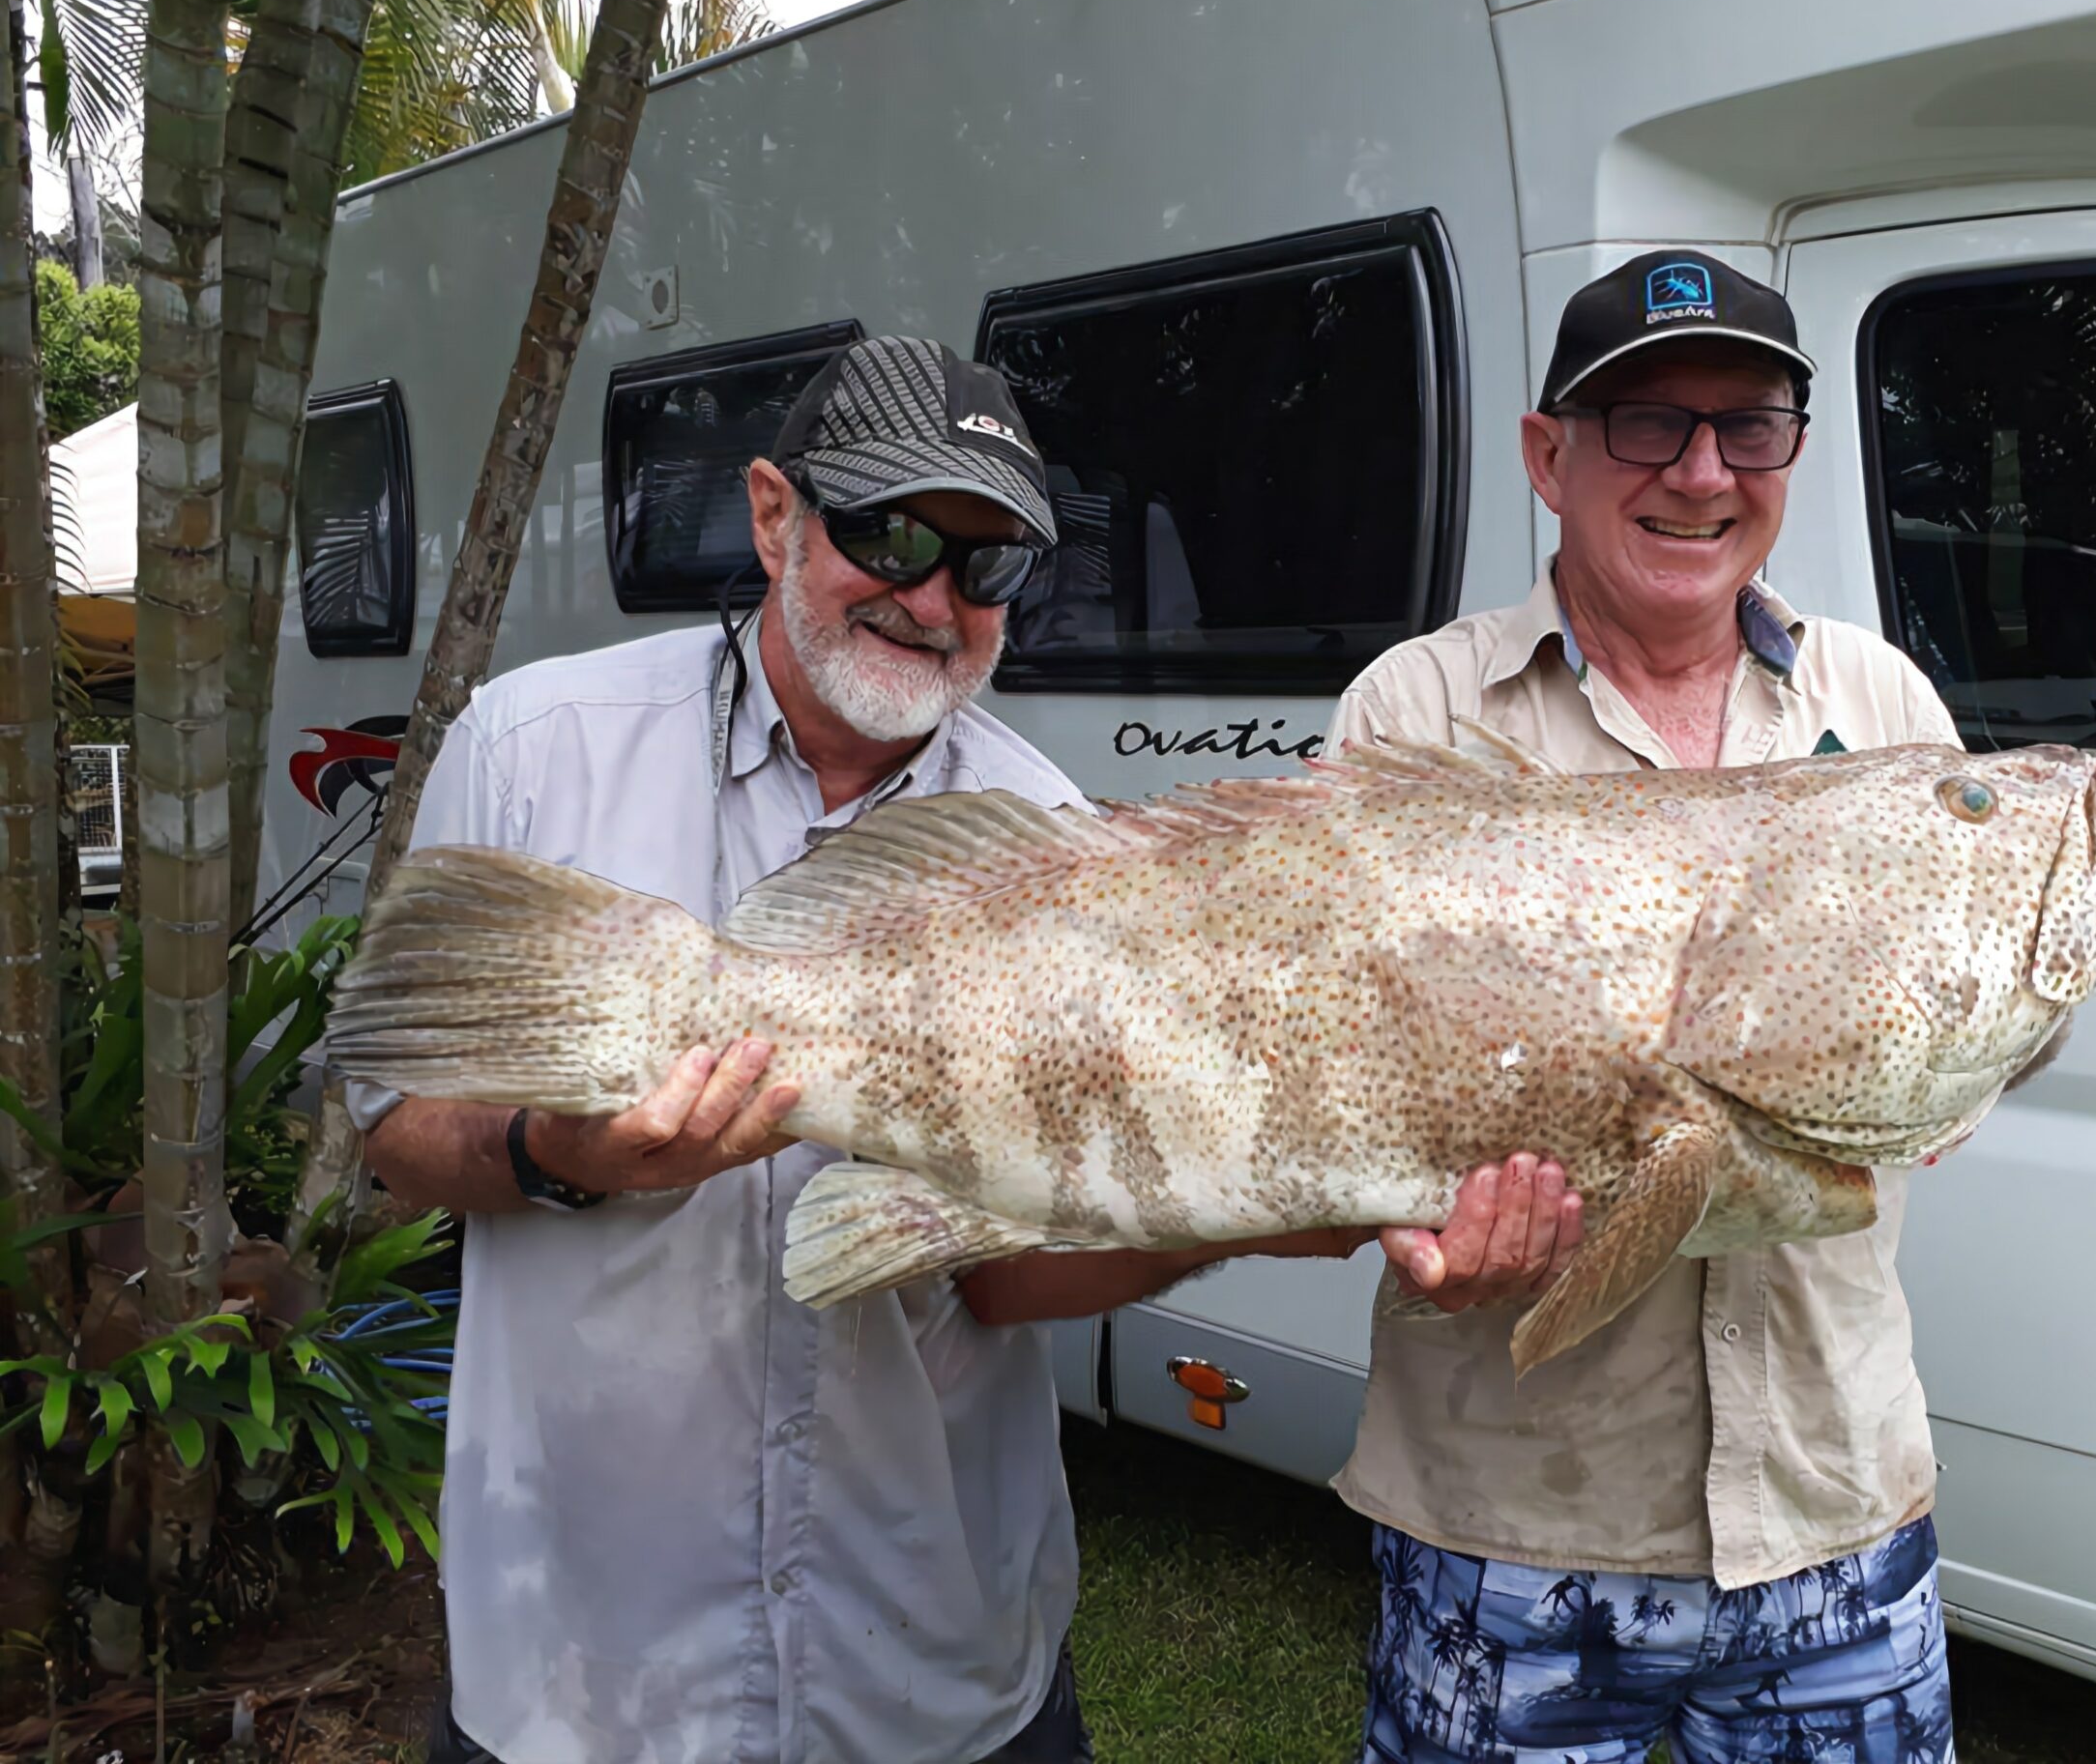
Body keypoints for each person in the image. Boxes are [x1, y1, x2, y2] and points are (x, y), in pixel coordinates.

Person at [356, 337, 1372, 1764]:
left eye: (988, 566)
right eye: (890, 532)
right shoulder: (535, 749)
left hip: (932, 1668)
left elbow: (1008, 1279)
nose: (931, 596)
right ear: (775, 514)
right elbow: (396, 1132)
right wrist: (560, 1153)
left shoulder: (1048, 838)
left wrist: (1263, 1217)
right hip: (593, 1678)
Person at [1328, 254, 1964, 1764]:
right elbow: (1340, 1070)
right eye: (1647, 425)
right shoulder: (1416, 718)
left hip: (1833, 1511)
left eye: (1749, 427)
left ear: (1792, 455)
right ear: (1549, 454)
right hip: (1514, 1533)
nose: (1700, 473)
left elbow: (1950, 1032)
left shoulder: (1885, 718)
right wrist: (1421, 1221)